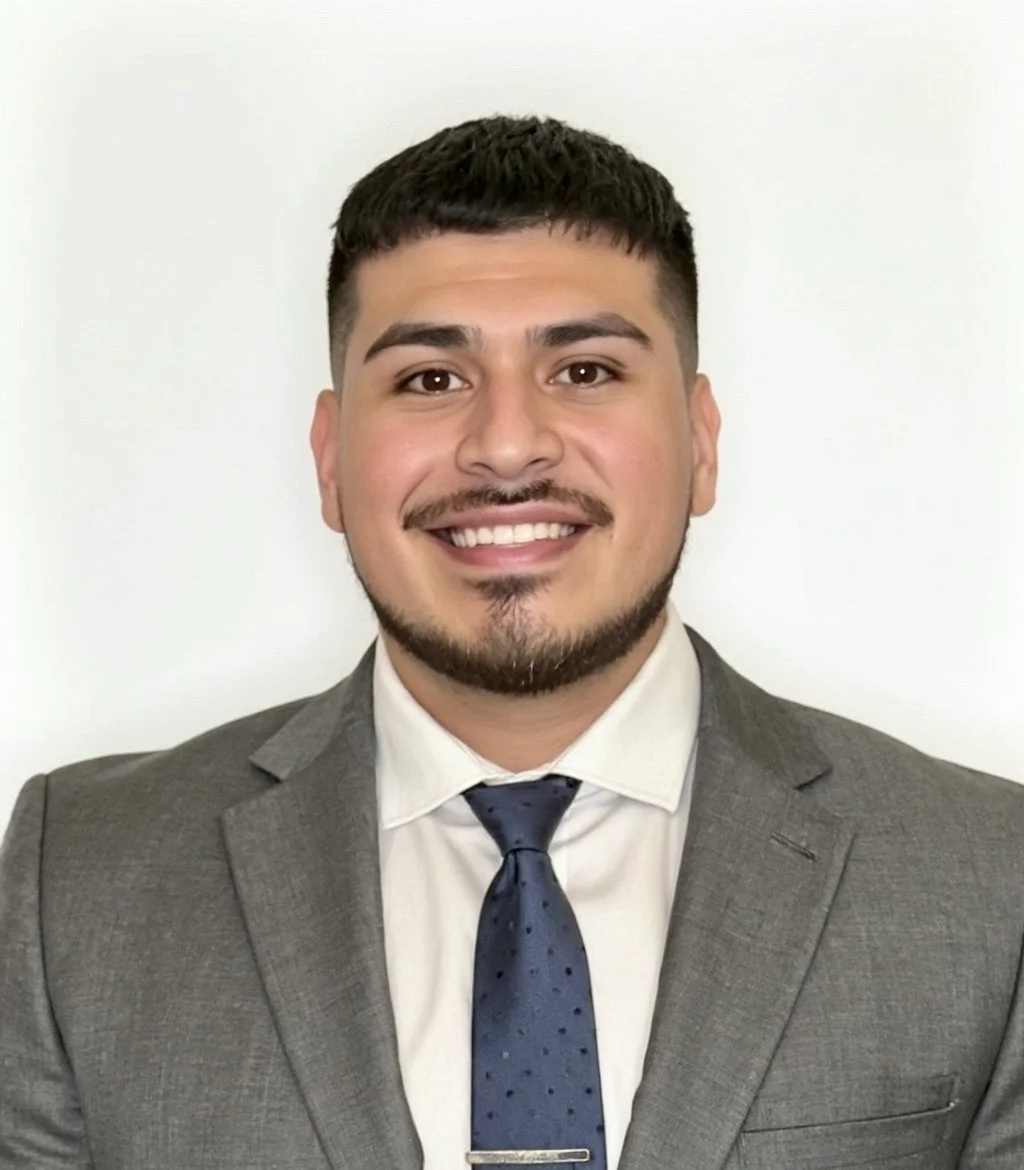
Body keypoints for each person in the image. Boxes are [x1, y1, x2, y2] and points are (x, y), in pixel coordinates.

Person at [1, 114, 1022, 1170]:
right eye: (429, 381)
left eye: (583, 371)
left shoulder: (986, 877)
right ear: (329, 459)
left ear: (700, 441)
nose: (504, 447)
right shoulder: (79, 881)